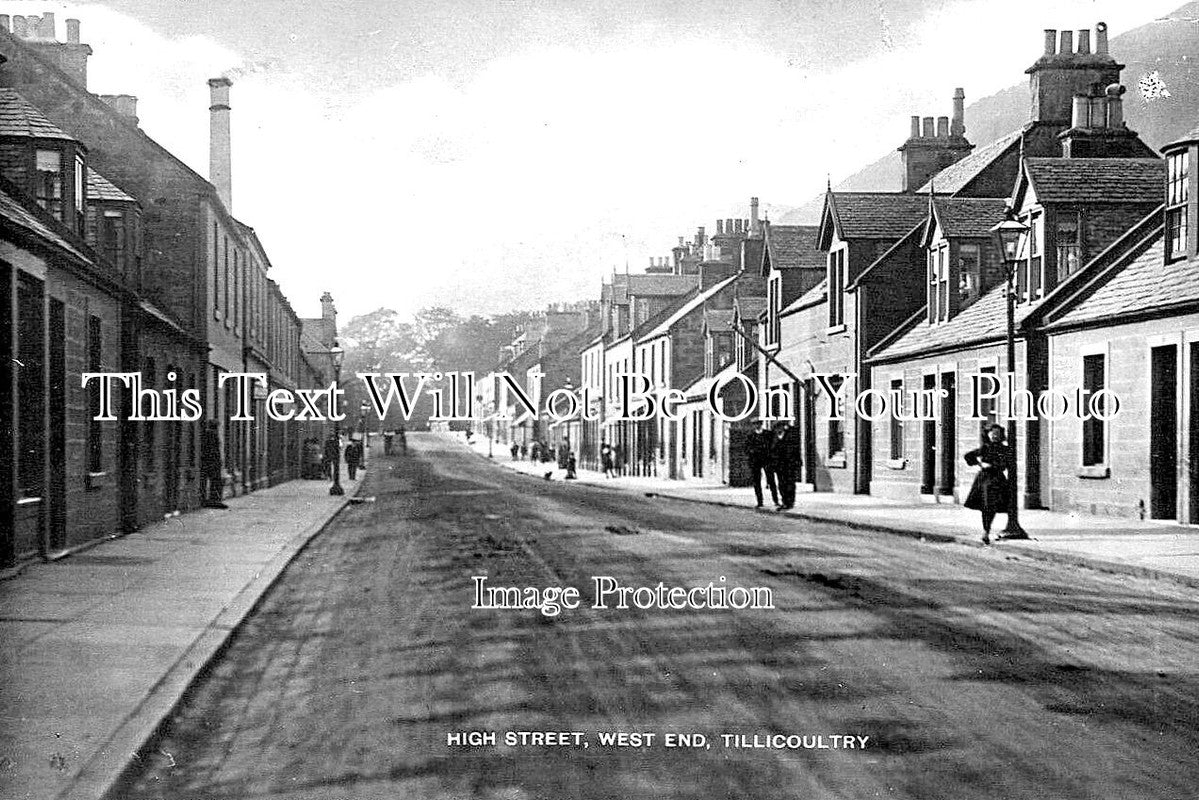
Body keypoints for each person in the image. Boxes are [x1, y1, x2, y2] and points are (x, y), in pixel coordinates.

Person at [964, 424, 1017, 545]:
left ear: (1001, 436)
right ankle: (986, 531)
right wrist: (979, 464)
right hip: (983, 479)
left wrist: (992, 466)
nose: (994, 436)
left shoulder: (1005, 449)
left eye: (997, 434)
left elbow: (1005, 465)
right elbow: (968, 455)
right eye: (992, 433)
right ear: (988, 435)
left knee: (991, 506)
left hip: (997, 479)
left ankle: (987, 530)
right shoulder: (985, 448)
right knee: (985, 507)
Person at [746, 420, 778, 509]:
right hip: (756, 461)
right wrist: (752, 454)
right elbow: (747, 448)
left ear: (761, 424)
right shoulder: (750, 436)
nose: (757, 425)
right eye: (755, 424)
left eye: (758, 424)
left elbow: (773, 445)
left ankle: (776, 500)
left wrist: (771, 455)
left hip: (767, 460)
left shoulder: (768, 434)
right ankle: (760, 502)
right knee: (756, 482)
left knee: (771, 480)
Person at [770, 422, 799, 510]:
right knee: (781, 484)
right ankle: (784, 502)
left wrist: (796, 463)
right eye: (776, 428)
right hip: (779, 466)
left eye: (780, 427)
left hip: (789, 465)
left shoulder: (790, 436)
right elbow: (772, 451)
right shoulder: (775, 438)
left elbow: (794, 450)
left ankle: (790, 502)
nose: (778, 430)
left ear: (783, 428)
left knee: (790, 484)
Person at [200, 421, 228, 508]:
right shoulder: (213, 434)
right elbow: (215, 450)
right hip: (212, 462)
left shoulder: (206, 434)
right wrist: (219, 461)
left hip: (207, 462)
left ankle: (206, 500)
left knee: (206, 482)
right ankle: (215, 500)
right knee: (216, 482)